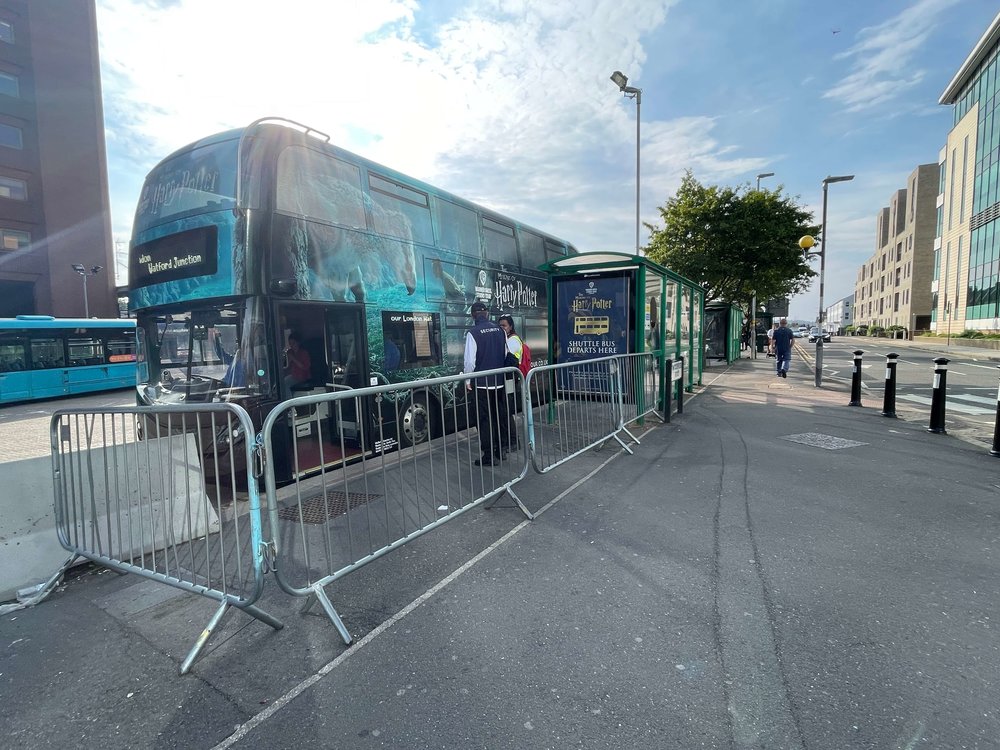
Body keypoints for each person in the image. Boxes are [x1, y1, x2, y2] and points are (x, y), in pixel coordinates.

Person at [463, 301, 509, 466]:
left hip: (481, 385)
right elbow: (505, 354)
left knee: (484, 420)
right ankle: (501, 450)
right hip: (499, 383)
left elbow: (470, 362)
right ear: (487, 314)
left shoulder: (473, 333)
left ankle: (489, 456)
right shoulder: (500, 331)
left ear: (473, 315)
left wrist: (468, 380)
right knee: (498, 417)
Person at [497, 314, 523, 449]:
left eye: (504, 326)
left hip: (510, 379)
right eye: (500, 325)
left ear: (510, 326)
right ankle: (510, 441)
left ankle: (513, 441)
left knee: (506, 411)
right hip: (507, 378)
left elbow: (505, 358)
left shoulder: (513, 340)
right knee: (504, 410)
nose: (502, 328)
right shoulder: (507, 339)